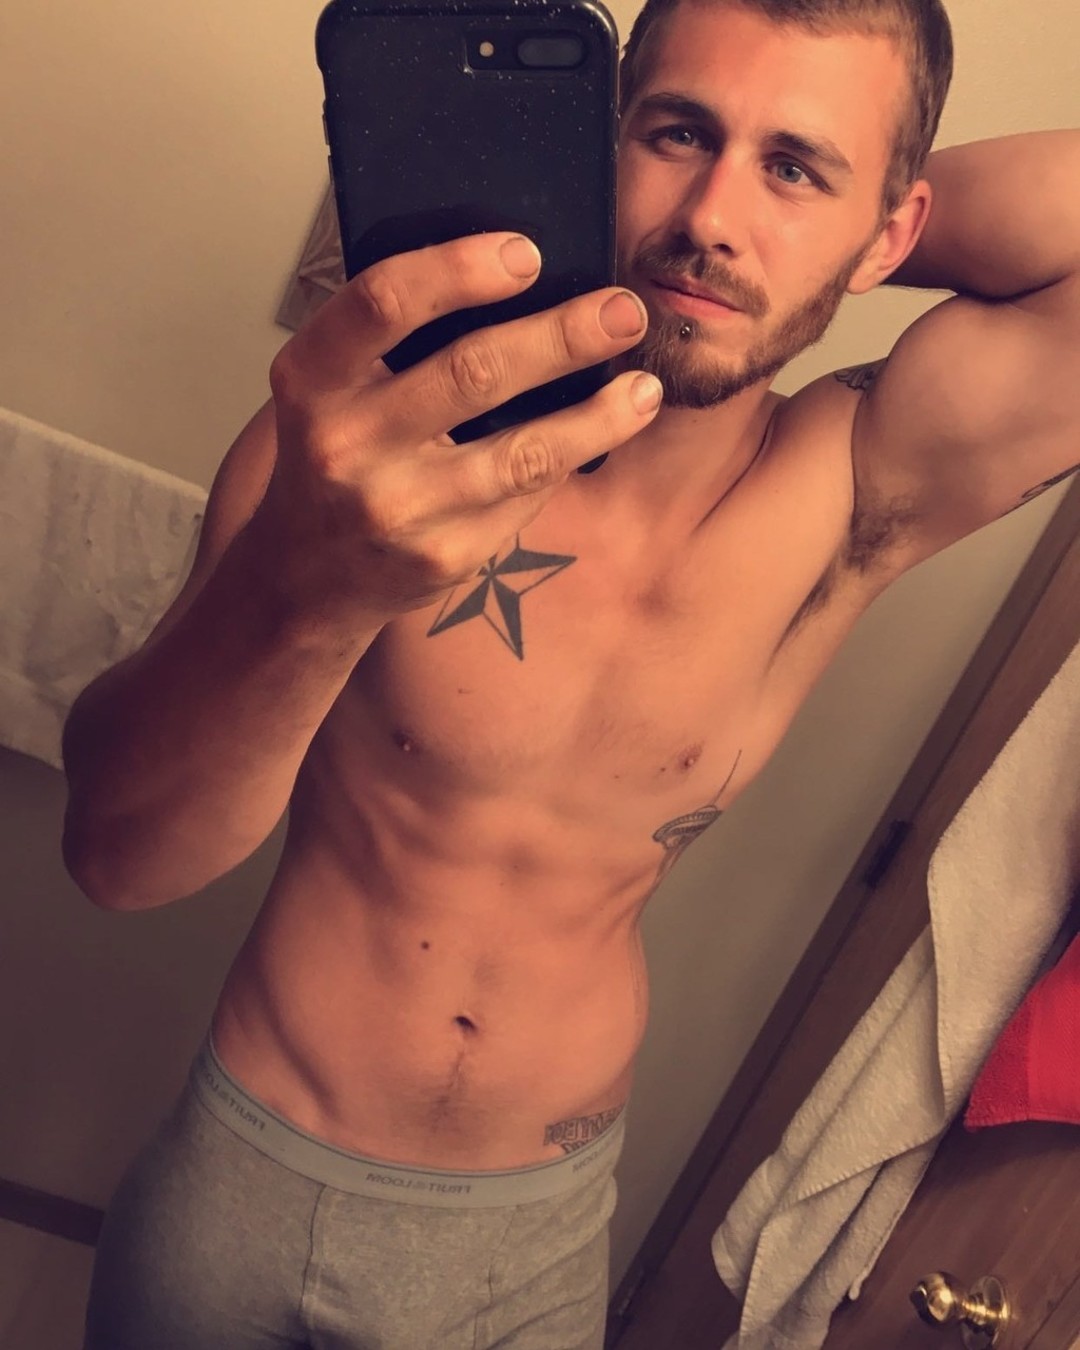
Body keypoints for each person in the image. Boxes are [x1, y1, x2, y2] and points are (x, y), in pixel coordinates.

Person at [65, 1, 1079, 1347]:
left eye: (792, 166)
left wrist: (821, 243)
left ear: (892, 233)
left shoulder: (854, 485)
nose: (711, 216)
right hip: (253, 1166)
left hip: (526, 1242)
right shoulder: (375, 453)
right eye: (678, 135)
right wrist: (306, 586)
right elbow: (120, 857)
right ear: (597, 144)